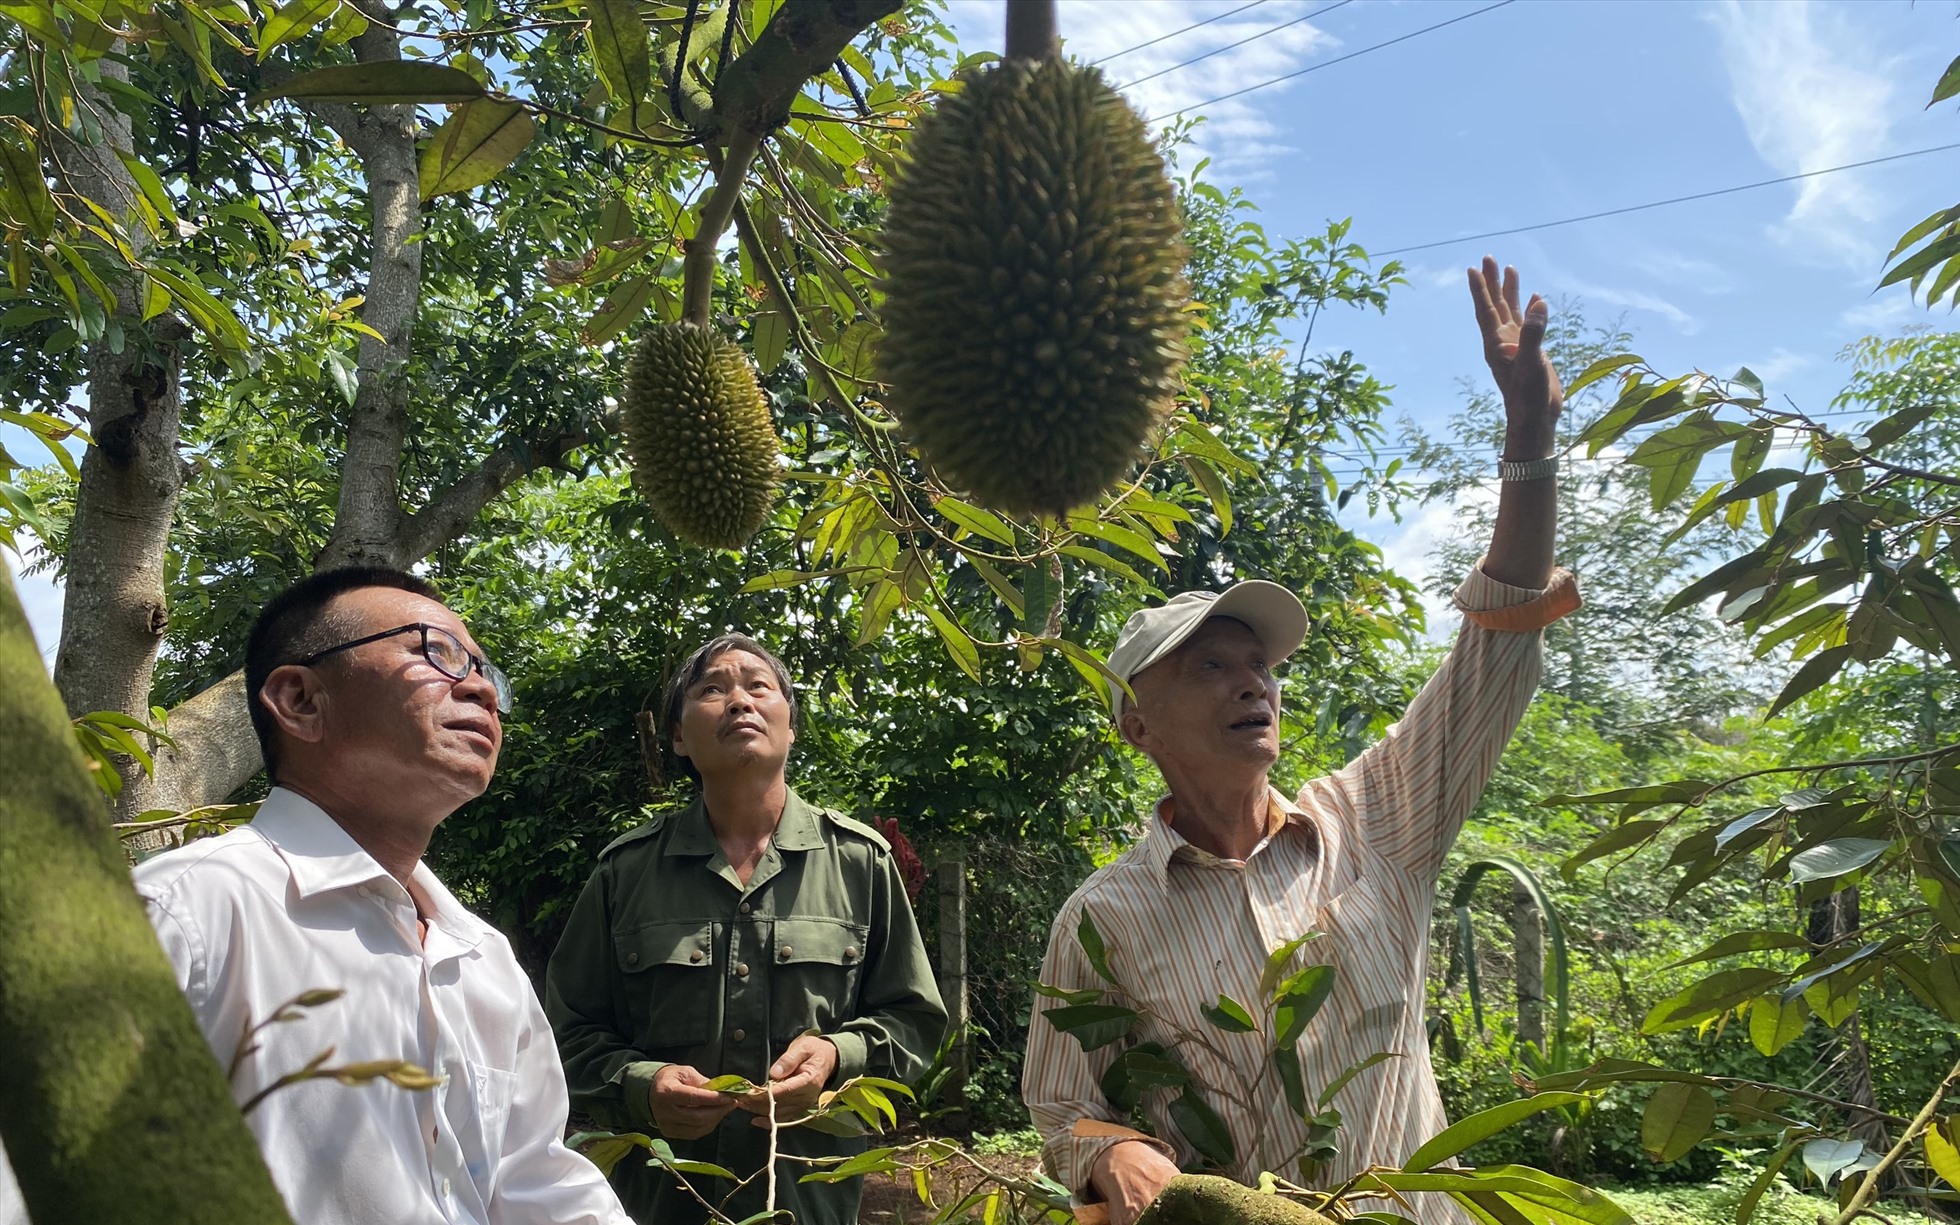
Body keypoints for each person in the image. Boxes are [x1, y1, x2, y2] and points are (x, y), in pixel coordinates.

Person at [1021, 258, 1582, 1225]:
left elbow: (1495, 643)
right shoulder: (1100, 920)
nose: (1251, 681)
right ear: (1136, 724)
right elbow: (1064, 1108)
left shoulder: (1378, 818)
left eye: (1259, 664)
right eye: (1207, 666)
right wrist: (1112, 1152)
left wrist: (1529, 440)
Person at [130, 567, 632, 1225]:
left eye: (485, 668)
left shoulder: (484, 959)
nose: (479, 686)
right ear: (302, 700)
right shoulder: (186, 911)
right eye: (437, 651)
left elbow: (539, 1185)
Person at [545, 633, 946, 1225]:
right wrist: (641, 1084)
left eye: (759, 686)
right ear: (677, 737)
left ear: (791, 725)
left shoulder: (862, 862)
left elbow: (914, 1019)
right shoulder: (623, 873)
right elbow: (565, 1033)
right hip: (660, 1202)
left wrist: (837, 1055)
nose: (739, 701)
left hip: (808, 1201)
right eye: (712, 689)